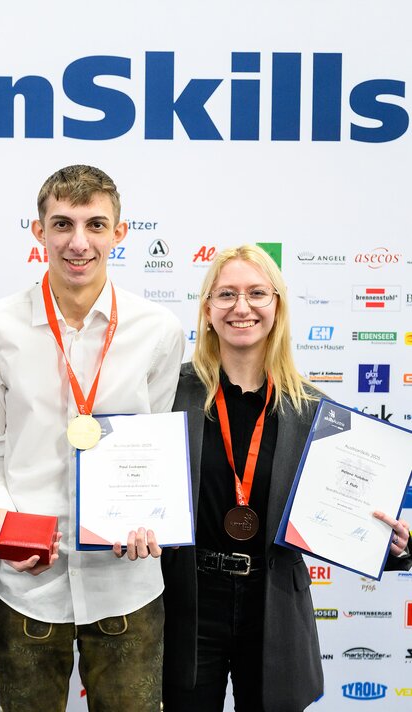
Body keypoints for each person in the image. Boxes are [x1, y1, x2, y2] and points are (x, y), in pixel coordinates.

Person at [0, 164, 185, 711]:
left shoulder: (158, 330)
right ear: (38, 231)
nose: (78, 242)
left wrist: (149, 514)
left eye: (96, 225)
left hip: (126, 581)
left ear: (120, 233)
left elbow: (151, 447)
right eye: (62, 224)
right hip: (25, 582)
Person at [160, 244, 411, 711]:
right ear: (207, 310)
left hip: (273, 603)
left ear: (277, 306)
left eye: (257, 293)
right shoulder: (170, 393)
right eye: (226, 294)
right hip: (188, 602)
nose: (242, 307)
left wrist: (388, 543)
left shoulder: (316, 411)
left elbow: (342, 513)